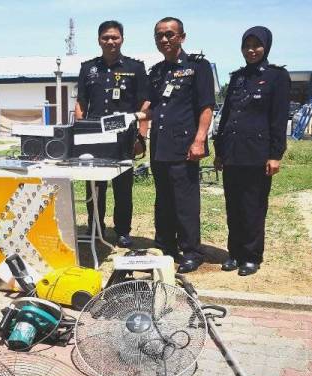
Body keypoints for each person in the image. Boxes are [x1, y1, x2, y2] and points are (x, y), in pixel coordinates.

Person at [213, 26, 290, 276]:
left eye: (256, 45)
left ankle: (251, 256)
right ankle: (234, 253)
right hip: (233, 152)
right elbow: (226, 117)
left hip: (257, 154)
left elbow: (278, 119)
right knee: (233, 206)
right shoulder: (237, 77)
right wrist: (219, 150)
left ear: (266, 46)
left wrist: (276, 154)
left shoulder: (277, 77)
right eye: (247, 45)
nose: (251, 50)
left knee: (253, 207)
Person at [146, 17, 215, 273]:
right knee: (163, 200)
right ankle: (165, 247)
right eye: (159, 35)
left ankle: (192, 251)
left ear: (182, 37)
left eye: (169, 34)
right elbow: (150, 108)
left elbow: (207, 106)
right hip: (160, 147)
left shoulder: (198, 67)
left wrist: (199, 140)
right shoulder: (156, 72)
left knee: (185, 202)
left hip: (185, 147)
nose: (164, 39)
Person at [75, 20, 148, 248]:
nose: (110, 41)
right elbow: (81, 102)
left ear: (122, 39)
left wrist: (141, 137)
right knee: (94, 187)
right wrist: (80, 131)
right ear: (99, 40)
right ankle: (95, 226)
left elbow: (144, 103)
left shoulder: (135, 68)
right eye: (106, 37)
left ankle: (123, 231)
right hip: (94, 137)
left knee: (123, 188)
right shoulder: (88, 68)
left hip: (123, 138)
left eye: (114, 37)